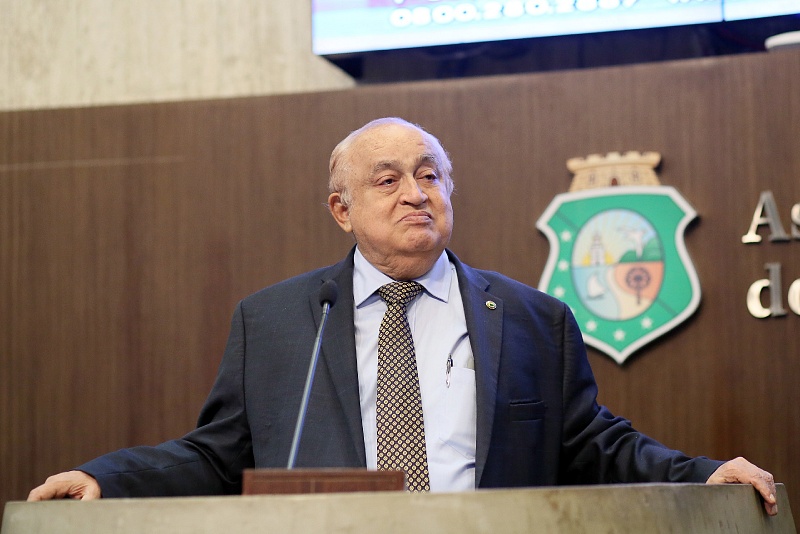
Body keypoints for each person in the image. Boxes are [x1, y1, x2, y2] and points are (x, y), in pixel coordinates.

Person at [28, 117, 778, 515]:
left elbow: (592, 444)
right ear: (341, 210)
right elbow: (219, 455)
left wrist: (704, 472)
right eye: (387, 180)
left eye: (430, 175)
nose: (417, 194)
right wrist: (108, 479)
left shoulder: (531, 318)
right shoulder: (277, 321)